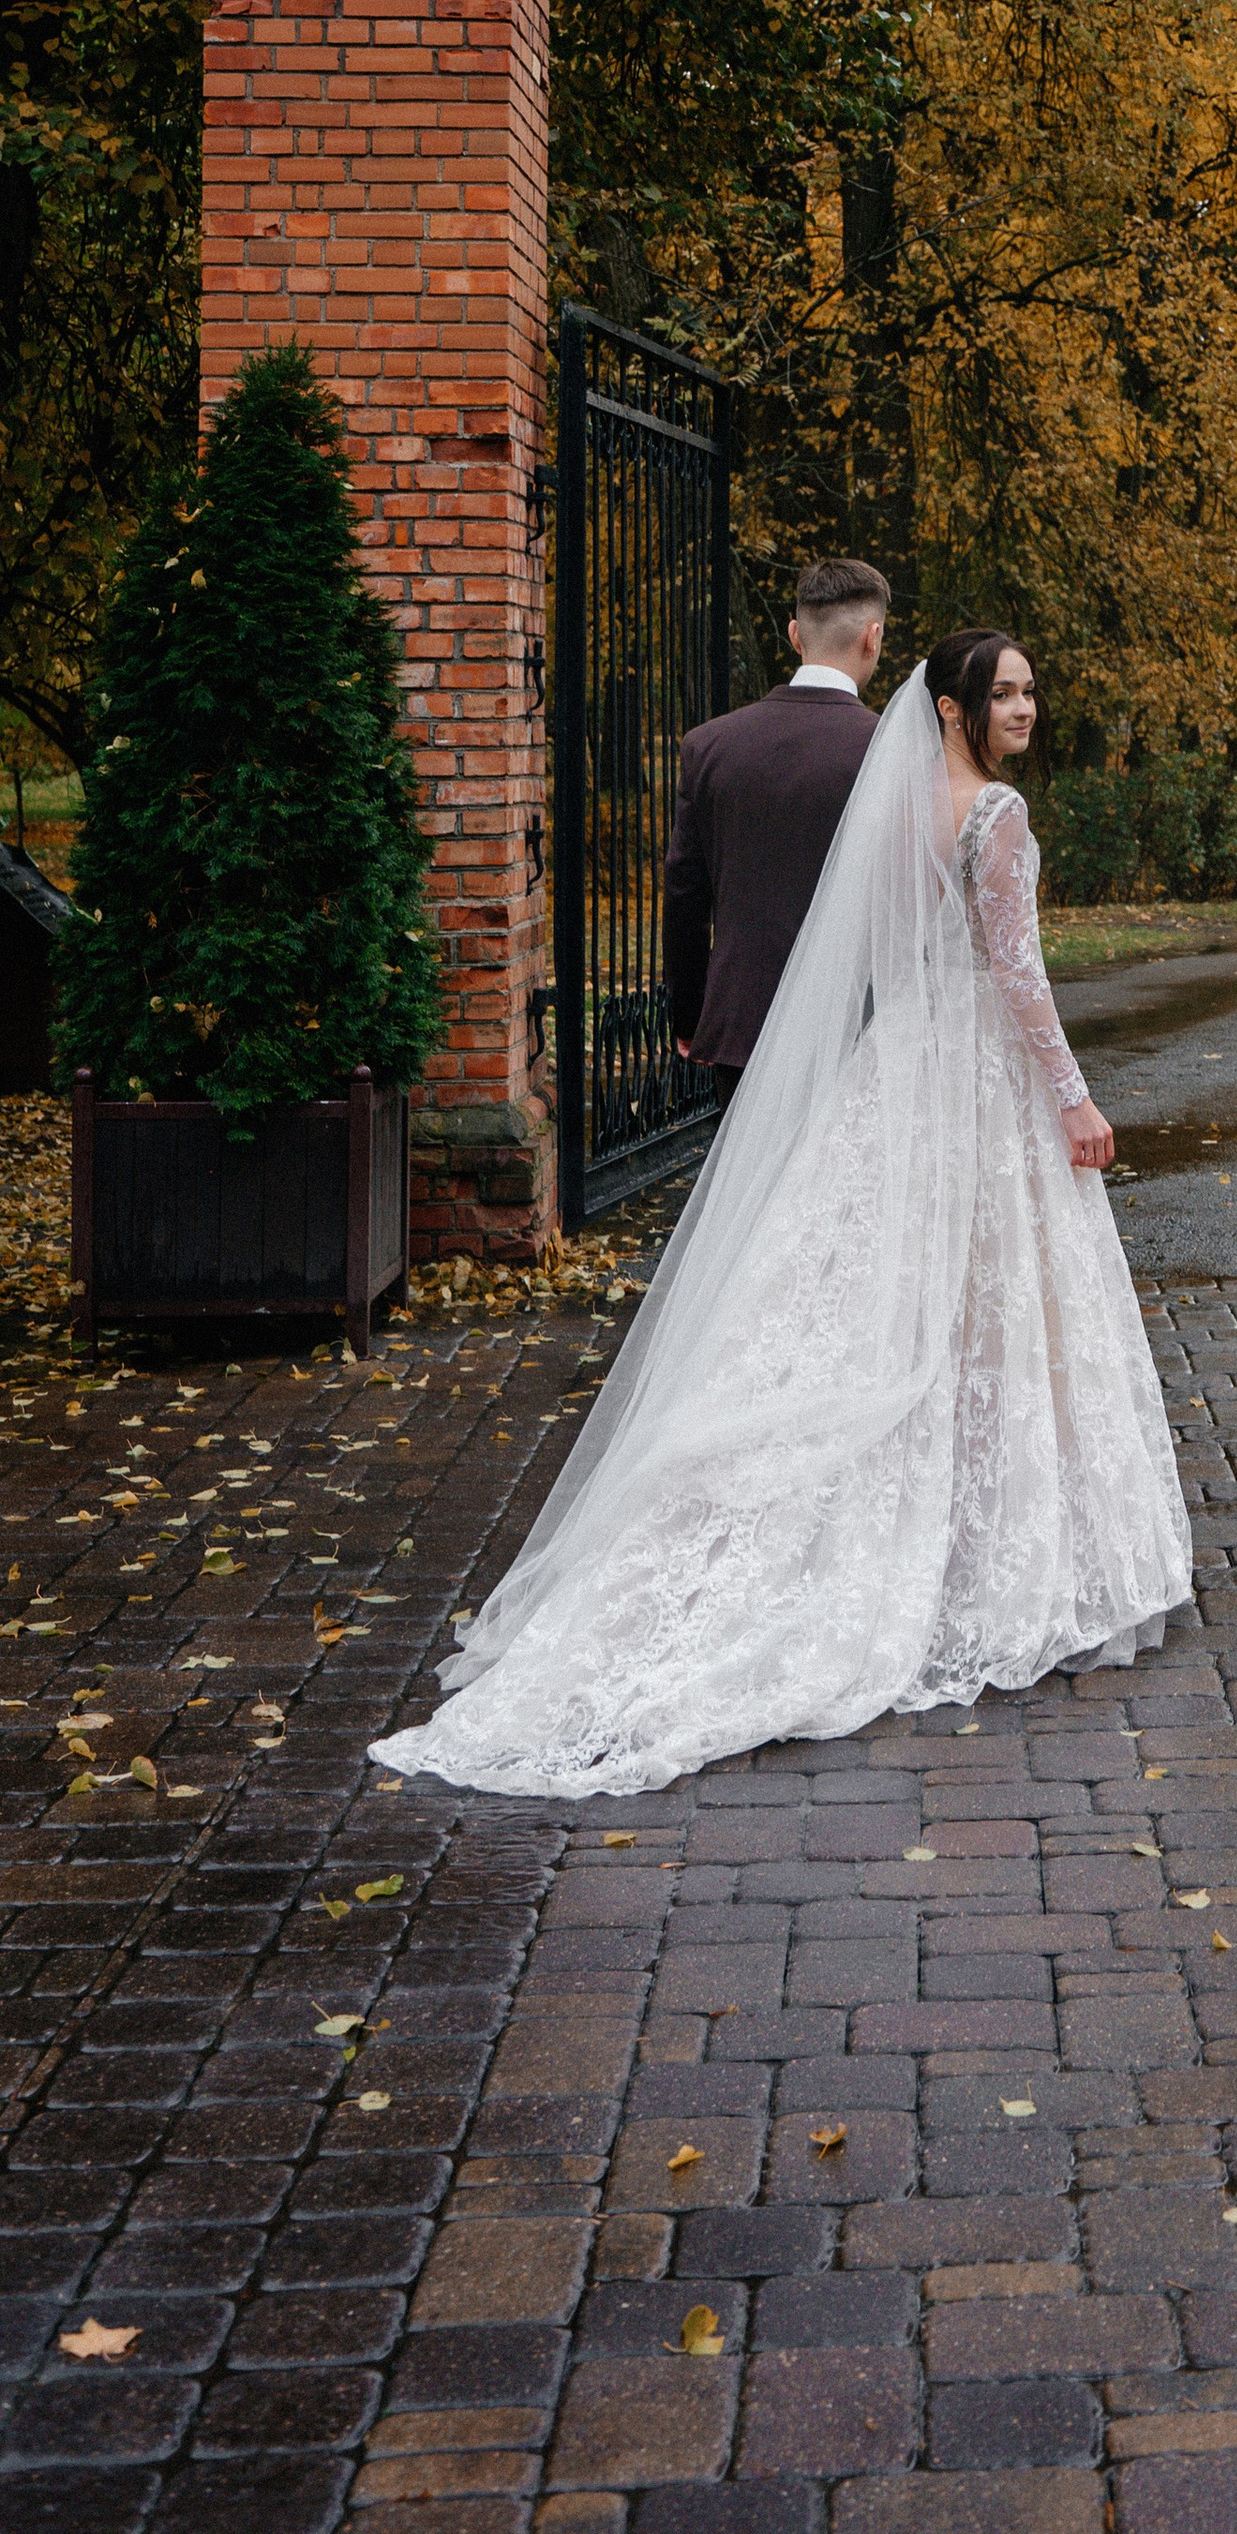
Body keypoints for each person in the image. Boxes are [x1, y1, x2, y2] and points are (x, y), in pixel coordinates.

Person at [371, 629, 1192, 1797]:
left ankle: (942, 1523)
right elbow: (1020, 975)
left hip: (897, 1066)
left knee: (879, 1297)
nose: (1026, 706)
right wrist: (1073, 1100)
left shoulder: (895, 803)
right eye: (1003, 693)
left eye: (1028, 688)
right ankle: (968, 1547)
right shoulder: (992, 816)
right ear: (953, 712)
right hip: (971, 1075)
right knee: (968, 1299)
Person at [665, 558, 887, 1103]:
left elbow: (685, 898)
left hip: (743, 1021)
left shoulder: (710, 745)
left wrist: (691, 1016)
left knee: (748, 1190)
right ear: (872, 636)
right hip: (857, 1025)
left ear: (793, 634)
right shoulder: (887, 751)